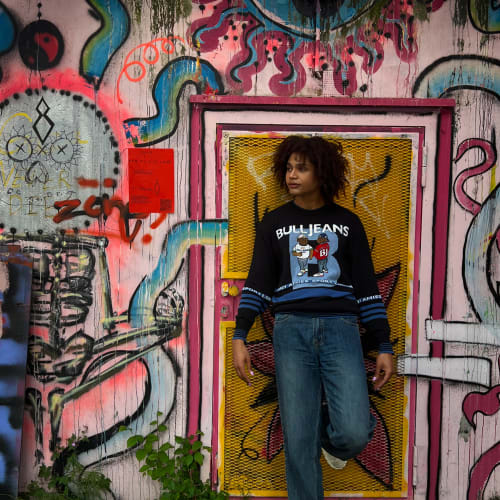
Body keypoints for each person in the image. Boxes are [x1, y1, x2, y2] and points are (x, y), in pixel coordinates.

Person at [232, 135, 394, 500]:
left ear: (322, 173)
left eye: (301, 169)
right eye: (289, 168)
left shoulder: (347, 223)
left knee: (353, 431)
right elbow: (258, 284)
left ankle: (321, 438)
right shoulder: (274, 223)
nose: (292, 175)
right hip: (291, 331)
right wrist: (240, 335)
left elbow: (367, 291)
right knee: (298, 444)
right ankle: (305, 441)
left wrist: (383, 344)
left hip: (341, 330)